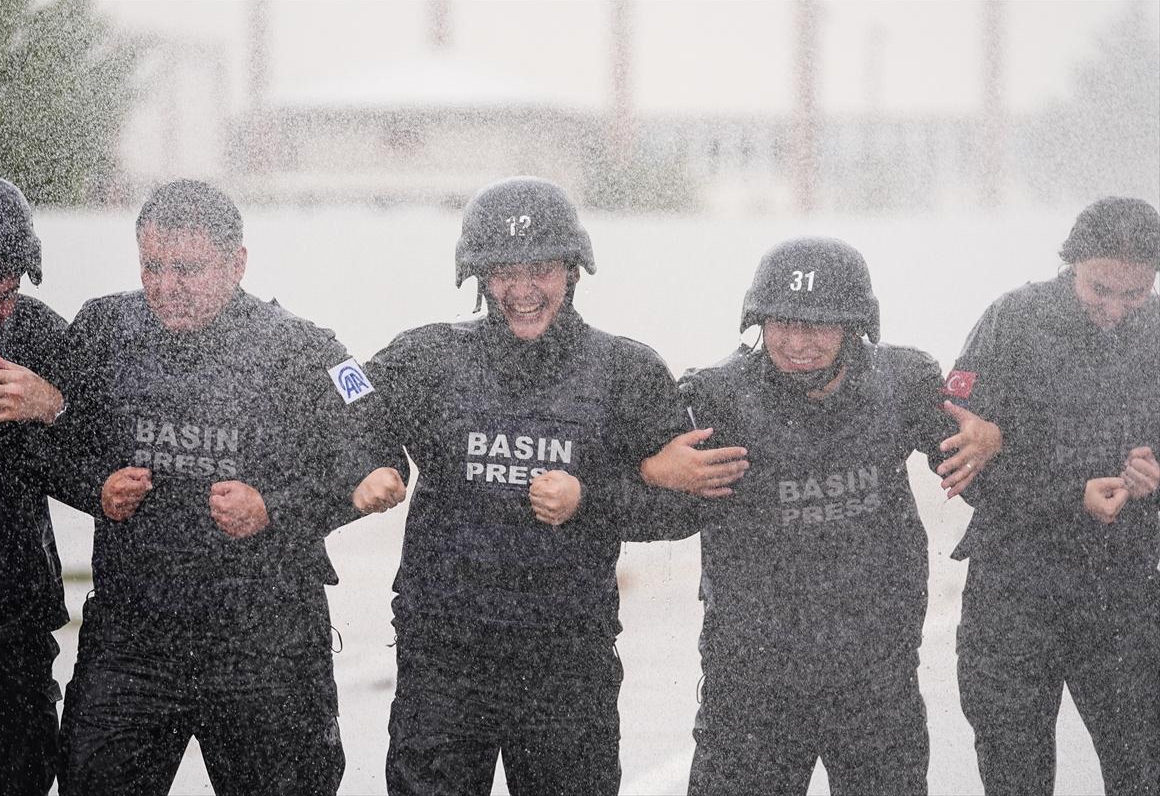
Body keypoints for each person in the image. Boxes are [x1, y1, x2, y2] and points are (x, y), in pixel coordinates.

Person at [347, 176, 689, 796]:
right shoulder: (431, 357)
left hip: (566, 666)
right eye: (503, 271)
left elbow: (684, 505)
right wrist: (373, 460)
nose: (523, 290)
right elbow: (345, 388)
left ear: (574, 271)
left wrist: (591, 499)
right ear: (477, 277)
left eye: (541, 269)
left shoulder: (626, 371)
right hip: (444, 663)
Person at [641, 237, 1002, 795]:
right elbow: (656, 513)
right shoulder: (714, 397)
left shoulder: (903, 382)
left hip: (874, 675)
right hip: (753, 679)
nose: (797, 343)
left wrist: (992, 437)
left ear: (856, 327)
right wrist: (654, 472)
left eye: (819, 326)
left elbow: (975, 466)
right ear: (757, 322)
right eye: (781, 323)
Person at [56, 179, 362, 796]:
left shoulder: (303, 350)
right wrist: (95, 487)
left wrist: (273, 507)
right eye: (152, 266)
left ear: (237, 262)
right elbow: (48, 441)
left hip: (267, 647)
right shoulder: (102, 329)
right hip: (133, 641)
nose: (166, 287)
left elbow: (375, 461)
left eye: (187, 269)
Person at [948, 197, 1160, 796]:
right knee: (1015, 771)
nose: (1115, 308)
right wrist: (1070, 495)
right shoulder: (1013, 320)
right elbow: (955, 456)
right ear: (1071, 264)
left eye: (1135, 294)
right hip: (1017, 587)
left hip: (1128, 591)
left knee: (1143, 769)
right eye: (1100, 288)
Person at [0, 172, 69, 796]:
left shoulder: (33, 337)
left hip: (11, 635)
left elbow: (108, 449)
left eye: (5, 296)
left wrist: (55, 406)